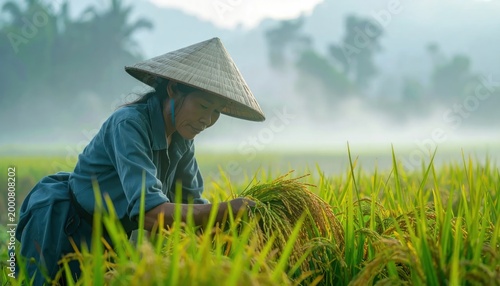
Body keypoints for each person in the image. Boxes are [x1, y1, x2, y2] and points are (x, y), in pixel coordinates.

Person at [15, 37, 266, 284]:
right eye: (203, 106)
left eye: (216, 112)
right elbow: (150, 214)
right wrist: (224, 211)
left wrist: (240, 234)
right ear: (173, 90)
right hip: (65, 228)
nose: (207, 120)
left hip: (111, 239)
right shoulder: (129, 124)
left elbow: (193, 206)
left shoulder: (182, 137)